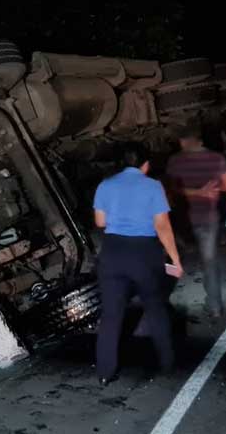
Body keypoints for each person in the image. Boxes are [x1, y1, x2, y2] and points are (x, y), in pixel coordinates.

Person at [94, 142, 183, 386]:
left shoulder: (105, 185)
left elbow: (100, 222)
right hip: (144, 252)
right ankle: (167, 362)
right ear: (145, 165)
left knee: (111, 315)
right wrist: (174, 258)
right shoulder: (152, 186)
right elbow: (162, 226)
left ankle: (104, 372)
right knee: (155, 307)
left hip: (112, 252)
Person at [166, 124, 226, 318]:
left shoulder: (176, 161)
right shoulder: (216, 158)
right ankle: (214, 306)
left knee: (174, 259)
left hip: (184, 218)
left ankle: (165, 307)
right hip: (208, 218)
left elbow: (172, 190)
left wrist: (193, 192)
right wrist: (210, 189)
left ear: (183, 141)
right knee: (209, 261)